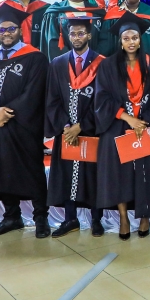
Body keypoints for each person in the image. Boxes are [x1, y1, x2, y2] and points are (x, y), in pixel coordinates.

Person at [0, 4, 51, 238]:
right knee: (1, 170)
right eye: (2, 30)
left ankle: (40, 218)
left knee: (32, 169)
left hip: (24, 125)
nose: (6, 33)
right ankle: (11, 216)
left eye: (11, 29)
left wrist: (7, 112)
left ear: (20, 30)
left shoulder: (35, 57)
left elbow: (34, 91)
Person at [94, 12, 150, 240]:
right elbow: (101, 98)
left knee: (148, 172)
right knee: (118, 174)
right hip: (117, 124)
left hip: (146, 125)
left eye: (134, 37)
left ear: (140, 39)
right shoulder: (107, 66)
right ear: (120, 41)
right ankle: (123, 217)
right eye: (126, 38)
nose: (131, 42)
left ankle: (145, 216)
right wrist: (127, 118)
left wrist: (143, 122)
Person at [45, 15, 106, 238]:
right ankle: (70, 219)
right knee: (67, 175)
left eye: (81, 33)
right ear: (67, 36)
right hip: (66, 133)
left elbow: (104, 101)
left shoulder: (102, 63)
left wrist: (82, 126)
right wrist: (65, 126)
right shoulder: (58, 64)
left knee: (93, 176)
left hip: (90, 133)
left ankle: (96, 219)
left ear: (89, 35)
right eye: (73, 33)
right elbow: (52, 99)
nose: (77, 37)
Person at [39, 0, 103, 60]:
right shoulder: (55, 12)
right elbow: (52, 42)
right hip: (64, 64)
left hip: (92, 63)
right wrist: (72, 61)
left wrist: (91, 60)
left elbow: (101, 40)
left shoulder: (96, 12)